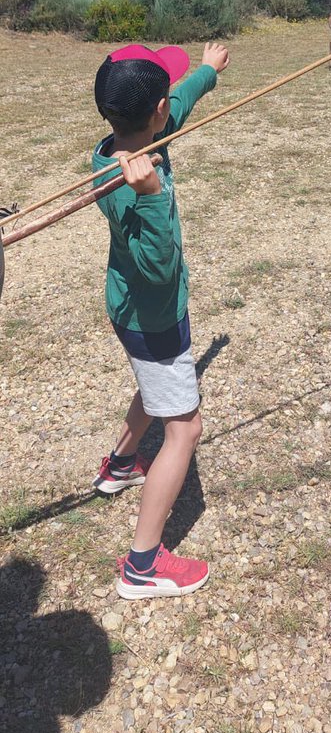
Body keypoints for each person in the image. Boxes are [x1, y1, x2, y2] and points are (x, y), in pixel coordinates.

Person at [91, 40, 229, 599]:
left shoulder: (118, 143)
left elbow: (178, 103)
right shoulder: (131, 185)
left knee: (155, 386)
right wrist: (150, 198)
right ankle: (142, 566)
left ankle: (121, 465)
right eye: (168, 98)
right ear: (157, 113)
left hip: (129, 313)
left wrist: (207, 73)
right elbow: (159, 271)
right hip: (153, 314)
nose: (174, 103)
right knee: (185, 427)